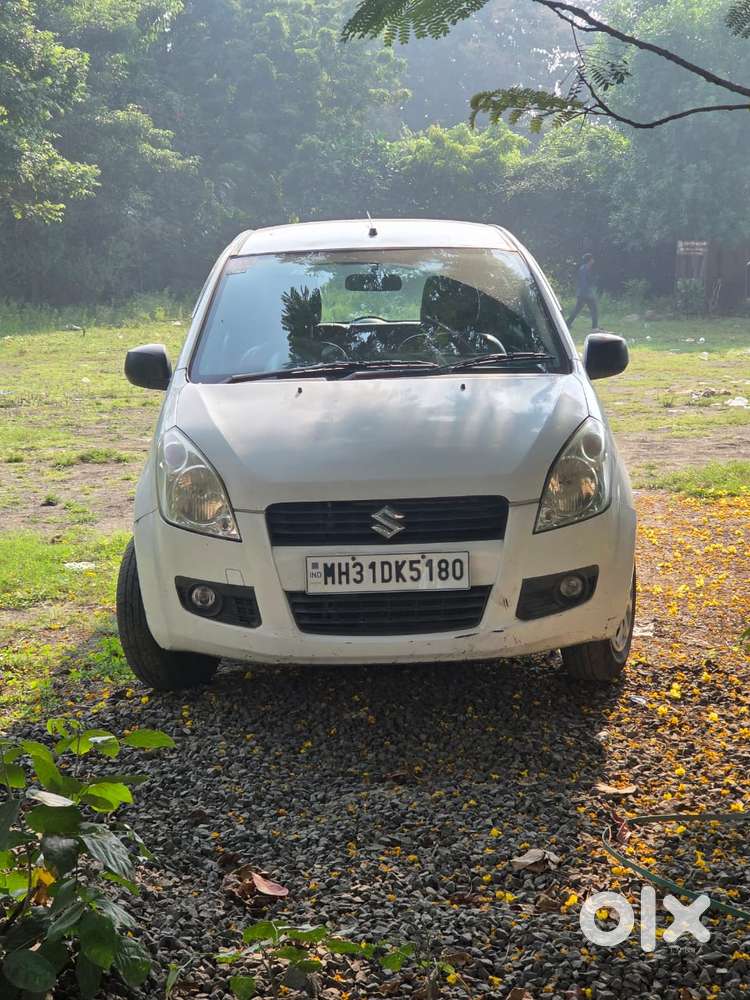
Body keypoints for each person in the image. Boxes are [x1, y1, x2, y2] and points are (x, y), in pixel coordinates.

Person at [566, 253, 598, 329]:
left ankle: (567, 323)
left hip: (583, 293)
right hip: (585, 293)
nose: (593, 260)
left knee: (577, 310)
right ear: (589, 260)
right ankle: (594, 327)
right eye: (592, 259)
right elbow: (584, 282)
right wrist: (587, 293)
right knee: (594, 309)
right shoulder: (584, 269)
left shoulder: (584, 268)